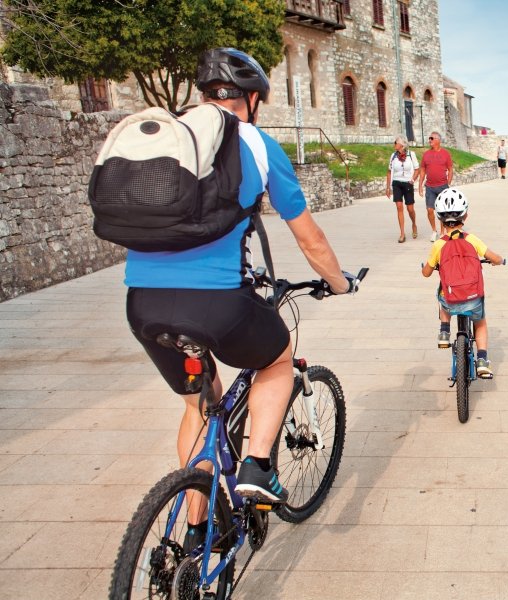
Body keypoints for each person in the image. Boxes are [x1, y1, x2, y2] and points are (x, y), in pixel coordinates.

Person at [125, 48, 355, 509]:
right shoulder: (255, 143)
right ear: (251, 100)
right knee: (276, 358)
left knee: (199, 406)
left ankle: (193, 533)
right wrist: (339, 282)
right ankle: (257, 468)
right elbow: (311, 240)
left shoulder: (166, 137)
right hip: (217, 301)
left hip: (143, 301)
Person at [421, 188, 504, 378]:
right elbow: (494, 257)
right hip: (473, 298)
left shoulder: (439, 245)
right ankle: (482, 359)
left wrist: (425, 269)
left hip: (451, 301)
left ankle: (444, 331)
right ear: (465, 215)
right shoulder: (472, 239)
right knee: (480, 322)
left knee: (442, 295)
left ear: (440, 219)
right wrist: (499, 260)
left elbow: (426, 272)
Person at [417, 131, 454, 242]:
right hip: (430, 187)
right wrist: (420, 185)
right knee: (429, 210)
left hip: (443, 186)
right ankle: (434, 231)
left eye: (431, 138)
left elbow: (450, 168)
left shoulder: (446, 154)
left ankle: (443, 232)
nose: (430, 140)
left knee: (443, 211)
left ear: (438, 140)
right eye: (429, 139)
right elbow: (422, 169)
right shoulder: (426, 154)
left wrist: (449, 182)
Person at [385, 135, 419, 243]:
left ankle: (414, 224)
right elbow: (389, 171)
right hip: (396, 183)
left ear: (401, 144)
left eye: (396, 142)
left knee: (410, 209)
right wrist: (388, 187)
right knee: (399, 207)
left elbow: (417, 169)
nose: (394, 144)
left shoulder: (411, 154)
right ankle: (402, 233)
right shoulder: (393, 156)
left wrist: (412, 180)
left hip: (408, 183)